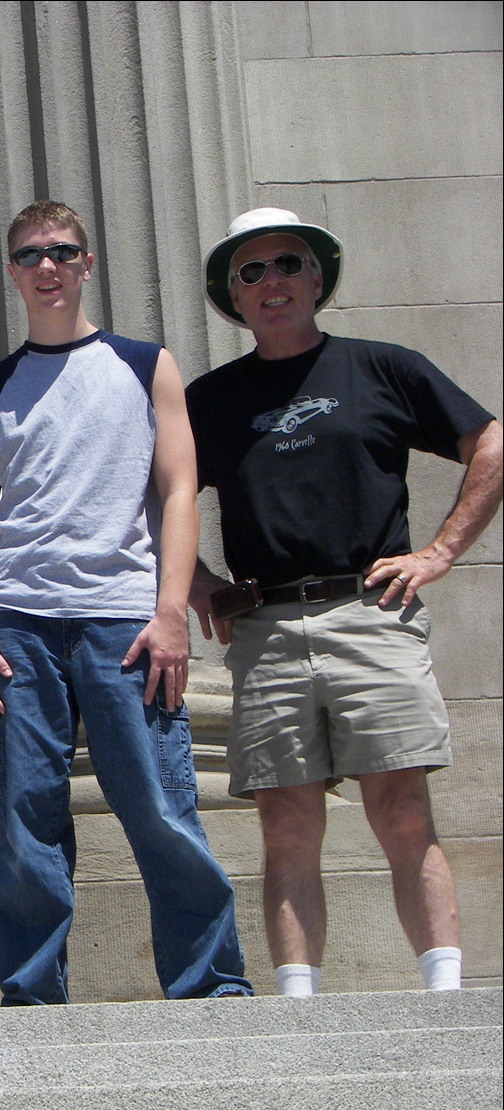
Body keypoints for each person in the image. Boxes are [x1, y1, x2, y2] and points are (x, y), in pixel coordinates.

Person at [187, 207, 502, 996]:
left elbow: (489, 442)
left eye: (287, 263)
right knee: (286, 824)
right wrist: (196, 585)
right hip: (264, 627)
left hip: (372, 612)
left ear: (318, 277)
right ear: (232, 296)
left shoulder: (383, 368)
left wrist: (439, 552)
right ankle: (298, 1004)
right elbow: (146, 499)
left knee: (402, 810)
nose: (272, 283)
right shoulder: (212, 399)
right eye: (250, 272)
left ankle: (444, 995)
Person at [0, 200, 251, 1006]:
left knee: (159, 803)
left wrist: (170, 612)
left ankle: (212, 985)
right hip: (18, 622)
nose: (46, 266)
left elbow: (180, 489)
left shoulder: (144, 362)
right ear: (13, 274)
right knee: (25, 818)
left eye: (62, 251)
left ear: (86, 263)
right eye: (29, 256)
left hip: (125, 616)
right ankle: (32, 993)